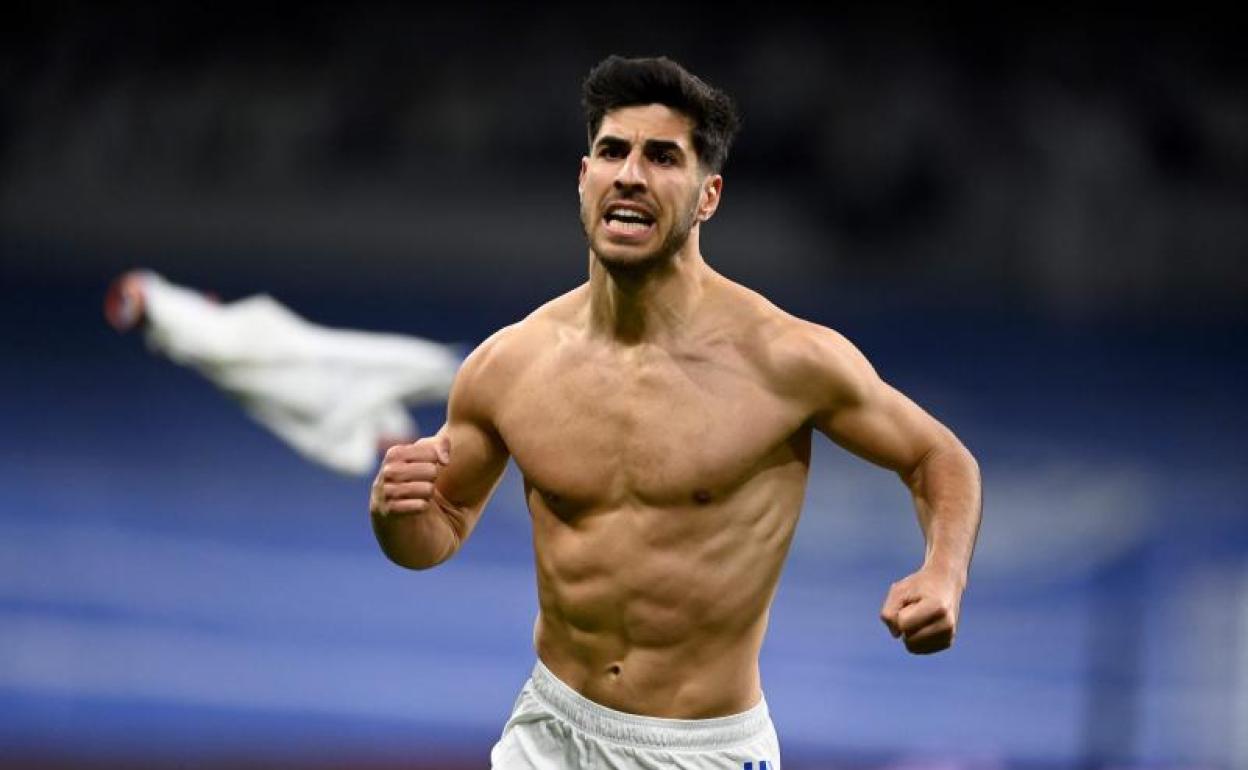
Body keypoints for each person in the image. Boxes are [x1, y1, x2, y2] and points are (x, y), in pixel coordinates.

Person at [369, 55, 982, 770]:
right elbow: (435, 534)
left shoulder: (785, 359)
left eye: (662, 157)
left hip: (705, 750)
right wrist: (396, 518)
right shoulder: (510, 365)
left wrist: (944, 573)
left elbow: (939, 456)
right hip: (550, 731)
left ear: (707, 194)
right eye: (612, 152)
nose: (631, 174)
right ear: (583, 177)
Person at [105, 270, 462, 475]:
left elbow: (180, 313)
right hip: (282, 369)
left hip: (273, 350)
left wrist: (147, 298)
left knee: (404, 363)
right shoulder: (343, 437)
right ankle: (472, 369)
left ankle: (474, 368)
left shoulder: (344, 427)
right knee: (407, 364)